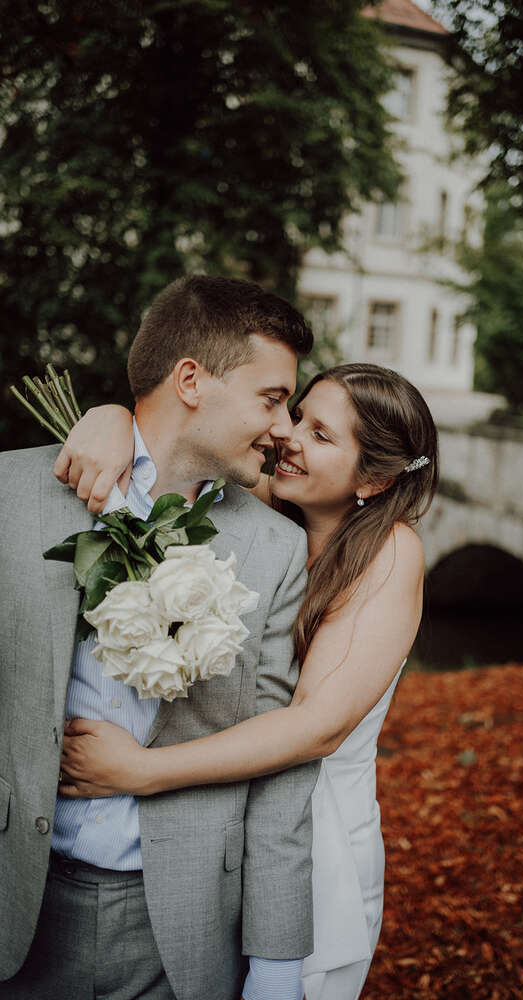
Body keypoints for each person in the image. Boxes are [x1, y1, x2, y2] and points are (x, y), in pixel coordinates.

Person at [54, 361, 439, 1000]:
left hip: (314, 839)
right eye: (298, 416)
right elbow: (175, 440)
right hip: (218, 827)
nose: (289, 435)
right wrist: (113, 419)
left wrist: (141, 771)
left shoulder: (390, 553)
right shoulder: (260, 506)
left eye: (320, 435)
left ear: (373, 479)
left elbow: (316, 727)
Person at [0, 274, 321, 1000]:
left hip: (183, 930)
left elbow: (279, 772)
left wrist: (275, 964)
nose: (284, 427)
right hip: (16, 901)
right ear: (191, 380)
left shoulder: (275, 549)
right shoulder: (13, 495)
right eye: (272, 398)